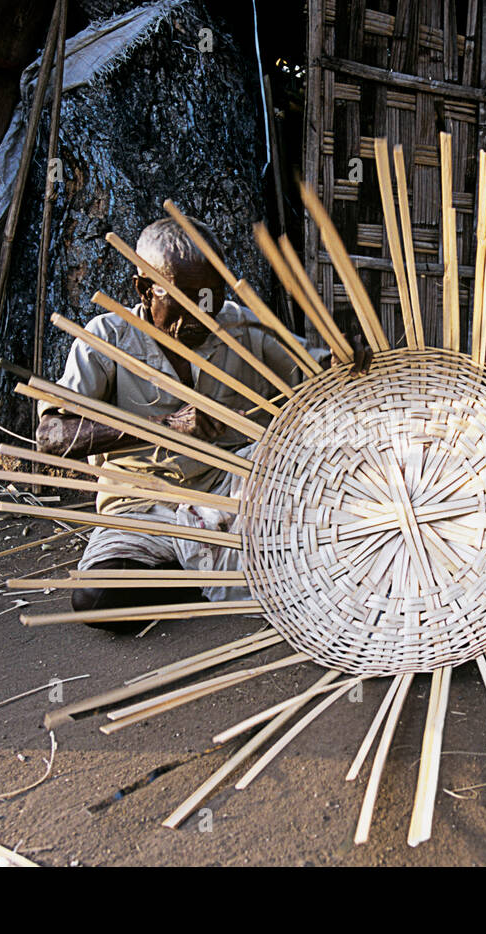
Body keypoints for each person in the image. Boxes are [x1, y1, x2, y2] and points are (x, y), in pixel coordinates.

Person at [36, 217, 323, 627]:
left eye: (213, 297)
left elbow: (311, 368)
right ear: (143, 288)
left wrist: (340, 363)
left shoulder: (241, 325)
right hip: (140, 503)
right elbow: (50, 436)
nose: (203, 314)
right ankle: (206, 574)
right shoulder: (107, 337)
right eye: (186, 300)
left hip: (231, 495)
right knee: (96, 597)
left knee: (293, 474)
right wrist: (166, 427)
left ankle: (216, 565)